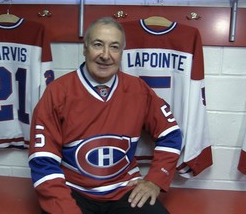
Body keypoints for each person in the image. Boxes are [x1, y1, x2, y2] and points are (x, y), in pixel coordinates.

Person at [28, 17, 182, 214]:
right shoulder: (57, 92)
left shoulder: (138, 90)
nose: (105, 55)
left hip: (126, 191)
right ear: (85, 49)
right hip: (73, 192)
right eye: (98, 45)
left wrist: (155, 180)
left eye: (114, 47)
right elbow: (43, 160)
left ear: (121, 52)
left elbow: (171, 135)